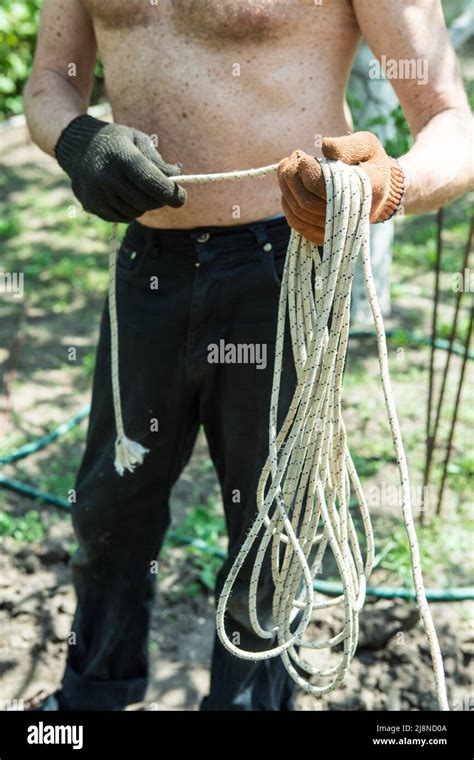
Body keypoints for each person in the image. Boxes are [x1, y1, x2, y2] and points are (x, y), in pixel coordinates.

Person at [24, 0, 472, 711]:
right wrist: (78, 138)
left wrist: (387, 186)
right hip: (148, 265)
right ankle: (90, 700)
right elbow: (52, 78)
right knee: (110, 510)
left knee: (274, 534)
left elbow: (453, 121)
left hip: (284, 268)